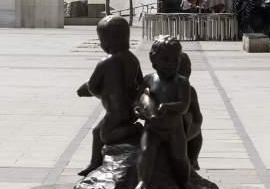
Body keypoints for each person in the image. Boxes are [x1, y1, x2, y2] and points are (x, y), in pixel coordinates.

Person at [76, 15, 143, 177]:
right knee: (96, 131)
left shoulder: (105, 63)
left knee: (105, 135)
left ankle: (136, 129)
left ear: (107, 41)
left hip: (115, 112)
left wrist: (96, 93)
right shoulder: (133, 60)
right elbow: (140, 83)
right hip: (128, 109)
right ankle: (95, 163)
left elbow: (92, 86)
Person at [137, 35, 193, 188]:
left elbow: (184, 106)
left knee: (180, 157)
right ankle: (143, 181)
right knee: (146, 151)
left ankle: (185, 181)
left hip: (174, 129)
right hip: (152, 129)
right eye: (165, 60)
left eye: (175, 60)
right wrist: (139, 111)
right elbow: (139, 100)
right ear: (153, 60)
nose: (170, 64)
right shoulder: (149, 79)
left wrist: (168, 107)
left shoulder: (181, 82)